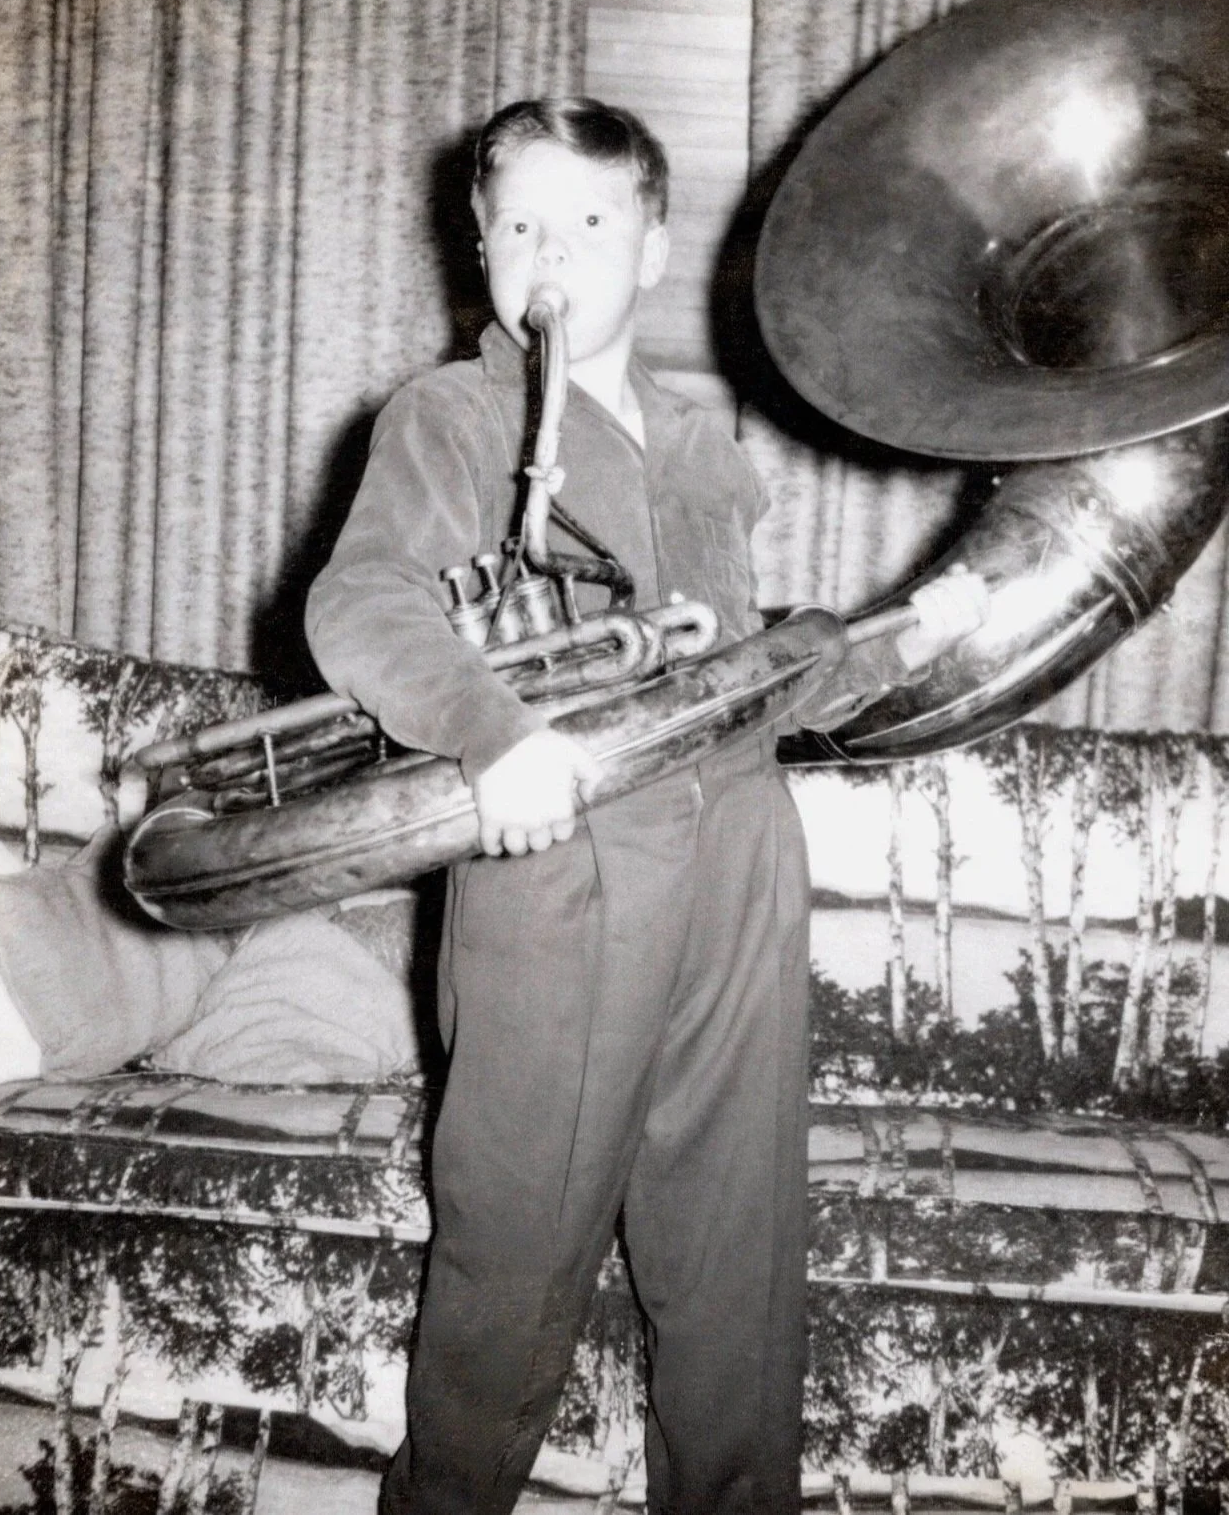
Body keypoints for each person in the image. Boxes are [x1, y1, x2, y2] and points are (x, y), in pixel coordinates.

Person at [304, 97, 987, 1515]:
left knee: (740, 1275)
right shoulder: (452, 416)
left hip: (740, 862)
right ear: (479, 246)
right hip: (560, 870)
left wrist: (903, 637)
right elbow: (357, 605)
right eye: (520, 225)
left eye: (591, 221)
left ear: (654, 246)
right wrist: (491, 738)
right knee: (510, 1269)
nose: (553, 251)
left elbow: (742, 679)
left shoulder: (695, 440)